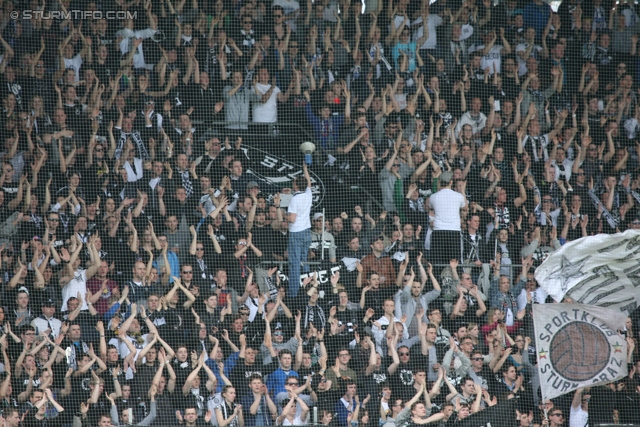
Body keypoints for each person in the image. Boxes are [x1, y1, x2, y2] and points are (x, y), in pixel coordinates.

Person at [428, 170, 466, 271]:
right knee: (454, 263)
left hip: (438, 232)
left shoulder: (434, 196)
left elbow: (430, 207)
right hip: (453, 232)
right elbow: (465, 207)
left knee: (437, 264)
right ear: (451, 182)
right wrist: (462, 190)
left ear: (440, 182)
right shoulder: (458, 196)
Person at [286, 163, 313, 299]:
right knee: (304, 262)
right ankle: (307, 290)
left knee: (295, 264)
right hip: (307, 233)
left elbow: (292, 219)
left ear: (296, 185)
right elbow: (308, 183)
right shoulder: (308, 194)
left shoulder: (294, 199)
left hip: (296, 233)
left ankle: (294, 295)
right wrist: (305, 170)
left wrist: (283, 214)